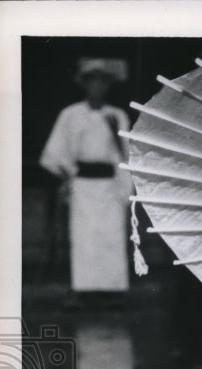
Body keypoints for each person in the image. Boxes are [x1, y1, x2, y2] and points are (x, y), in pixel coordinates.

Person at [40, 58, 132, 300]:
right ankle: (83, 292)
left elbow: (126, 155)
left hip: (110, 186)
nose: (98, 87)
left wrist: (125, 188)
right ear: (85, 85)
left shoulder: (117, 115)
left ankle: (113, 292)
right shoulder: (71, 114)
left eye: (103, 82)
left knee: (111, 237)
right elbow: (54, 152)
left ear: (108, 86)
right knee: (84, 240)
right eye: (93, 82)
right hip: (82, 185)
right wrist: (67, 176)